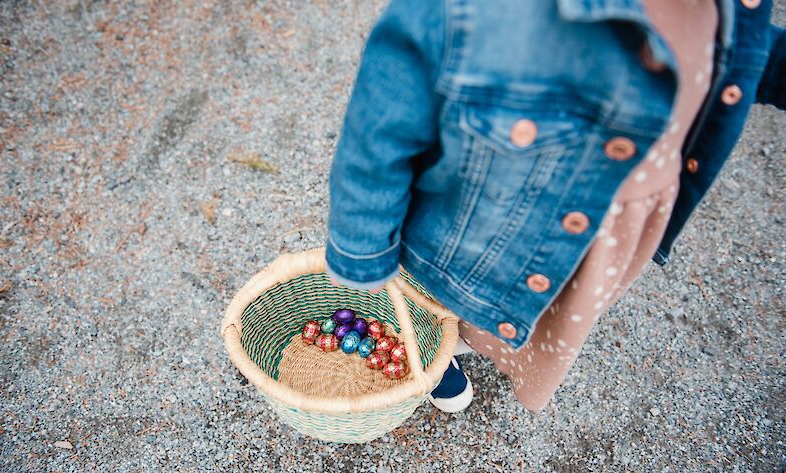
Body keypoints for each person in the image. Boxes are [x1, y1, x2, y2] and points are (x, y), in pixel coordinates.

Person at [325, 0, 785, 413]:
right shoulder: (468, 12)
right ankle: (429, 346)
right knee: (431, 293)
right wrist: (363, 254)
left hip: (610, 227)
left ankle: (465, 336)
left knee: (549, 301)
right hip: (483, 221)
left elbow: (747, 57)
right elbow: (376, 140)